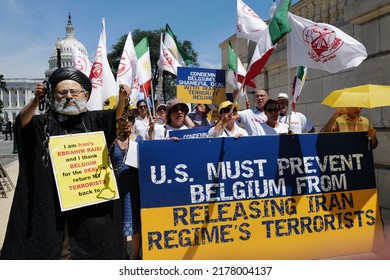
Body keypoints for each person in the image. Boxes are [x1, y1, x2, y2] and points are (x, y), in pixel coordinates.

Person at [0, 67, 129, 260]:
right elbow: (22, 123)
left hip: (88, 200)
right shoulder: (43, 122)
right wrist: (36, 100)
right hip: (54, 200)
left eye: (73, 92)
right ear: (53, 97)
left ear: (85, 95)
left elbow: (117, 116)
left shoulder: (95, 119)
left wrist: (123, 97)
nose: (68, 96)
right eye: (62, 92)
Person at [113, 114, 142, 260]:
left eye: (129, 120)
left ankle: (135, 257)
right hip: (118, 189)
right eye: (122, 120)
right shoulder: (112, 142)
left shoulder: (140, 140)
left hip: (135, 188)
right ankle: (123, 256)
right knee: (120, 224)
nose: (126, 123)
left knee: (136, 224)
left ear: (133, 122)